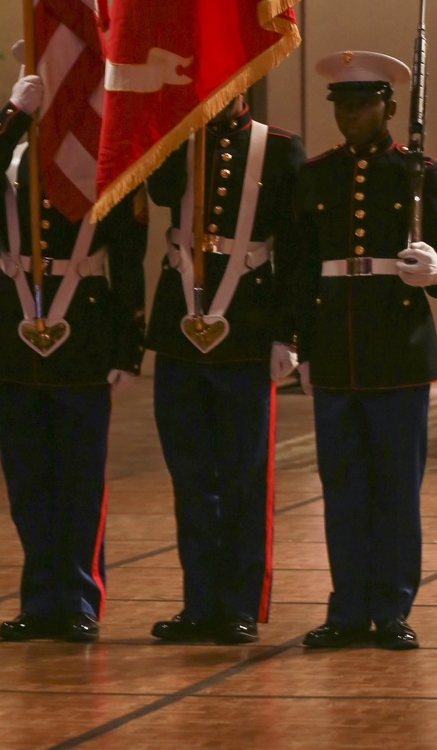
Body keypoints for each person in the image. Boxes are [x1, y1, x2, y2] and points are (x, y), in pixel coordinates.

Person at [0, 69, 147, 645]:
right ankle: (38, 600)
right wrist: (11, 113)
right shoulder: (9, 155)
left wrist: (126, 344)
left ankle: (79, 598)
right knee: (27, 479)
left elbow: (128, 256)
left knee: (79, 477)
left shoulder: (104, 157)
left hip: (84, 330)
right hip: (14, 334)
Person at [294, 51, 437, 652]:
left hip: (398, 348)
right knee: (341, 486)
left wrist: (436, 267)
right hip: (335, 346)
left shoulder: (419, 174)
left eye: (363, 104)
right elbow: (298, 268)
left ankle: (391, 609)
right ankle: (346, 609)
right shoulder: (315, 176)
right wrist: (297, 345)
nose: (351, 116)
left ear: (389, 107)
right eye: (342, 105)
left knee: (394, 488)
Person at [145, 94, 306, 645]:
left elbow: (298, 250)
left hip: (247, 328)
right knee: (189, 477)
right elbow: (161, 191)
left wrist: (288, 332)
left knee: (242, 478)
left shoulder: (280, 150)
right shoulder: (180, 141)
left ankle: (238, 604)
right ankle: (199, 603)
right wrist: (175, 128)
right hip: (180, 330)